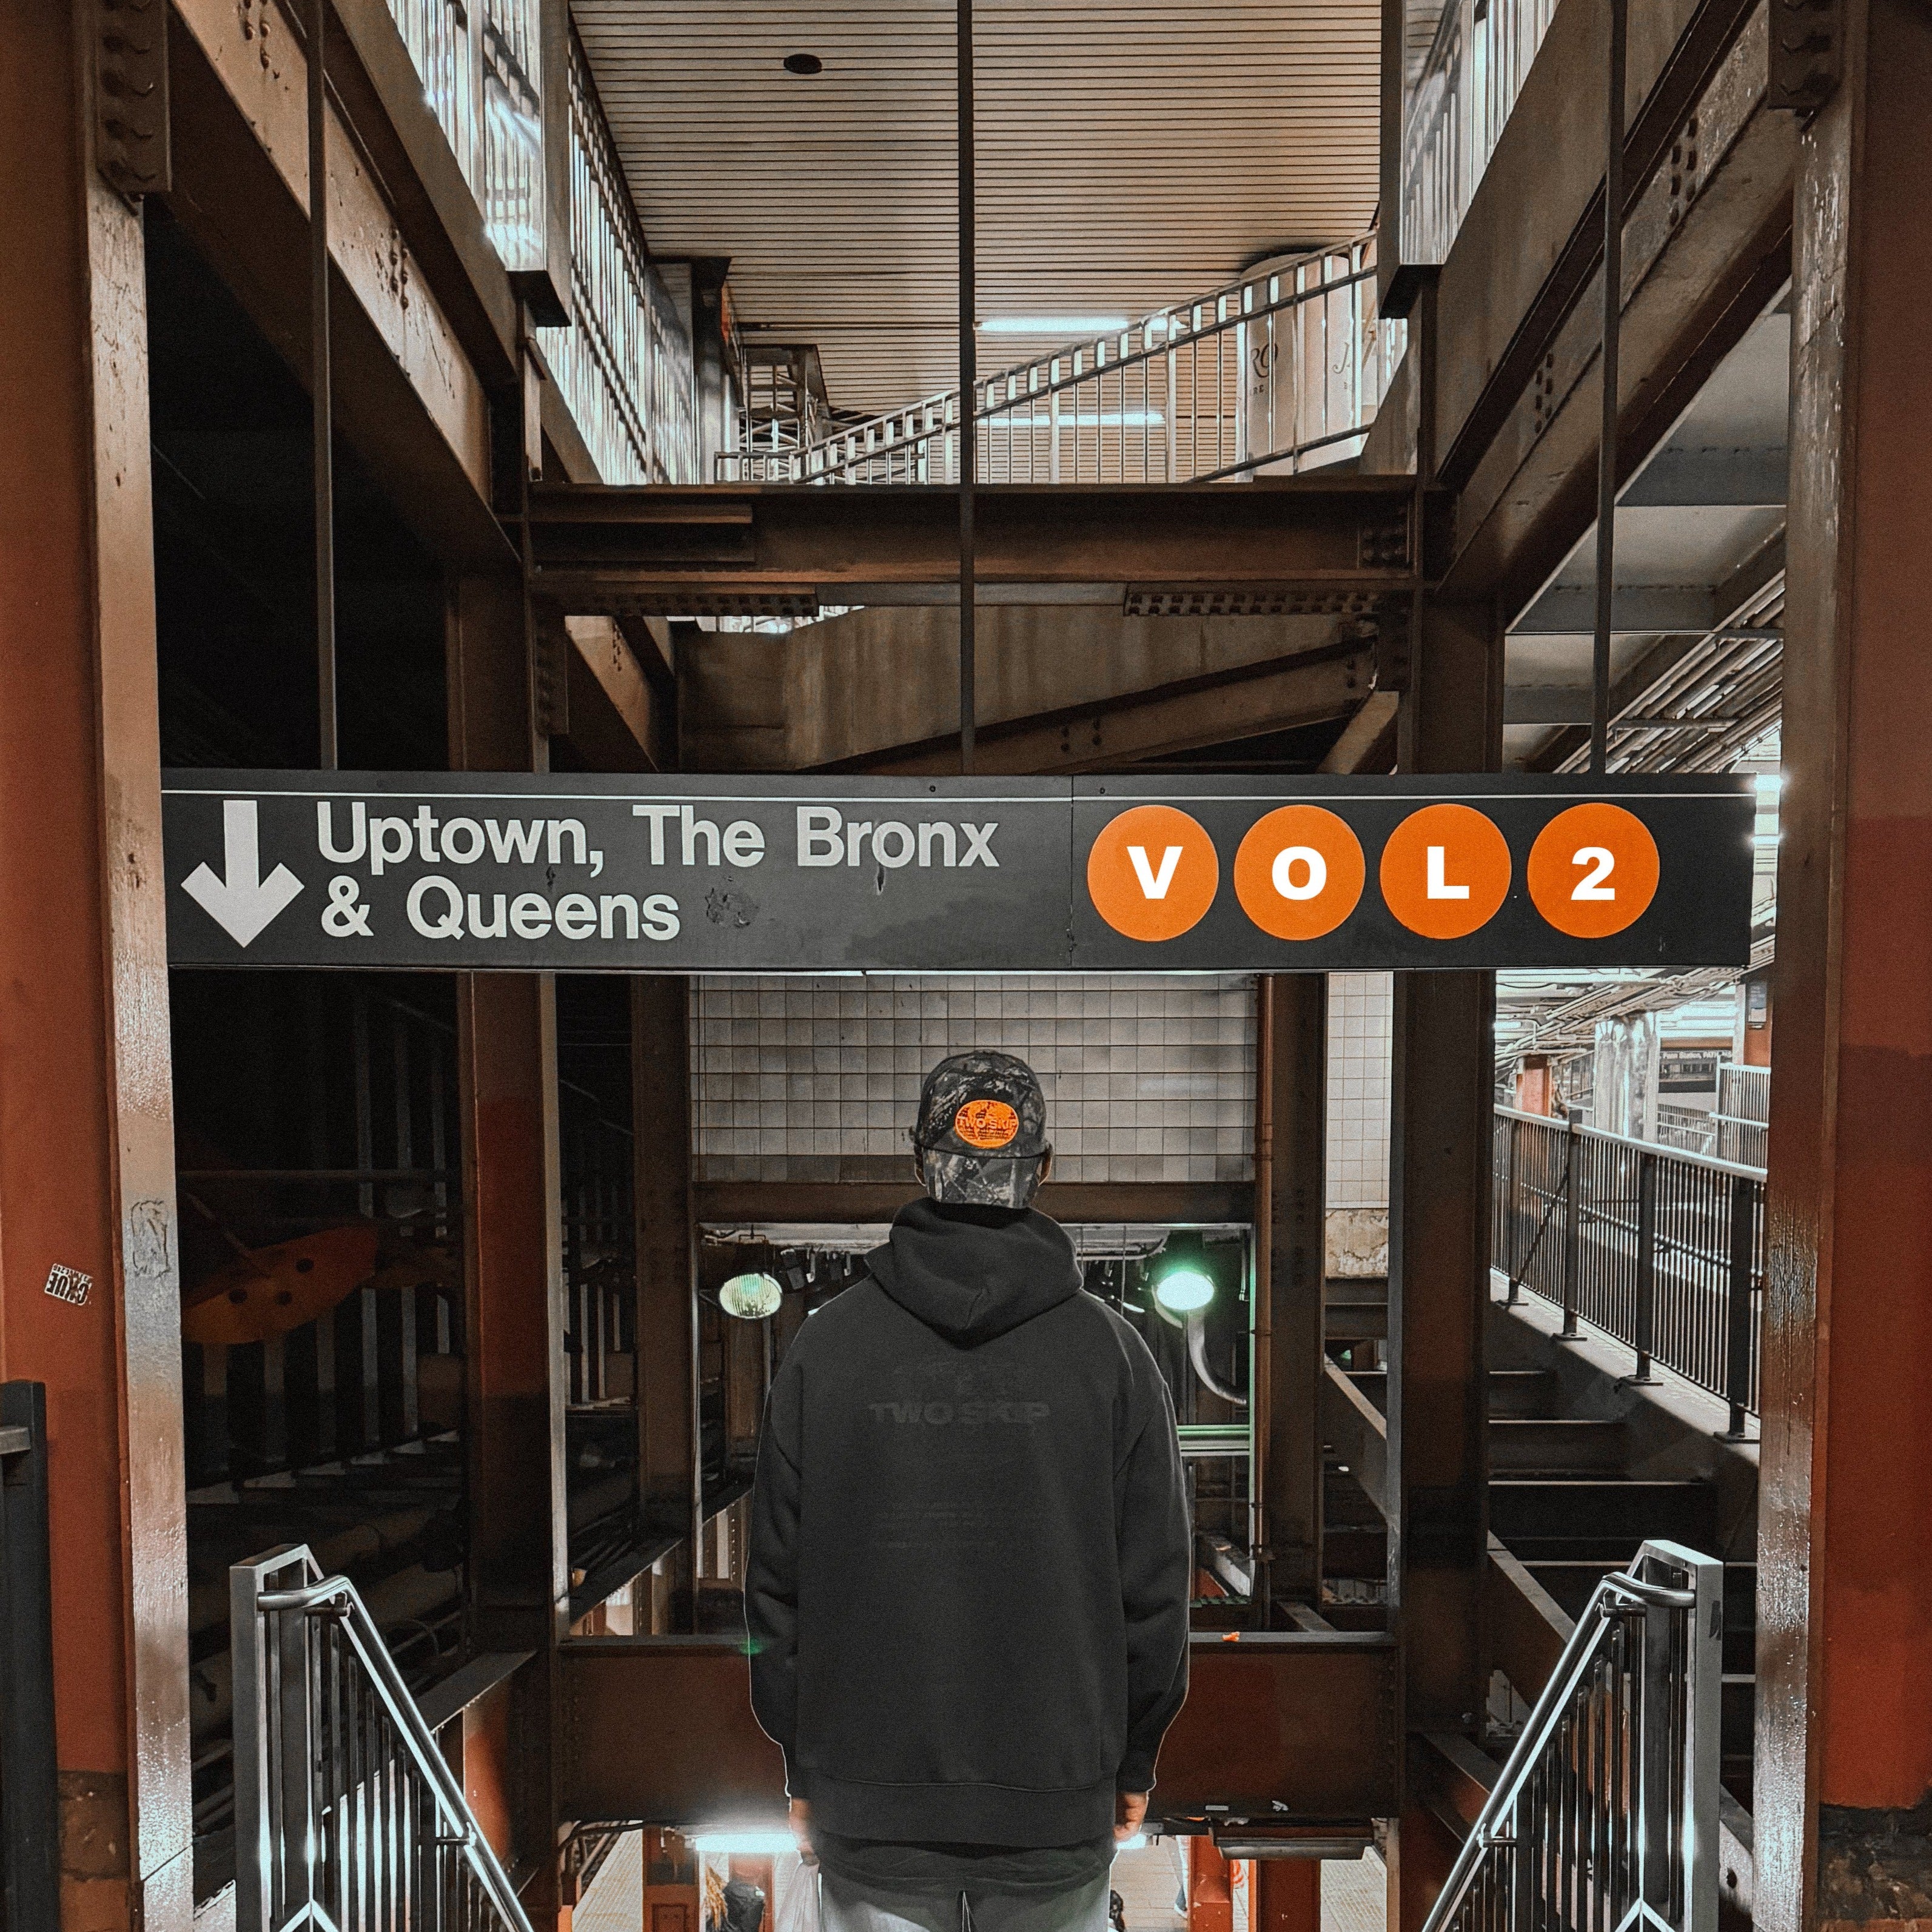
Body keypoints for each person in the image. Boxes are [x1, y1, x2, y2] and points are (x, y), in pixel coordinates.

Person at [746, 1050, 1193, 1932]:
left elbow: (775, 1584)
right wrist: (1133, 1758)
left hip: (868, 1800)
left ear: (919, 1162)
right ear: (1044, 1169)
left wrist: (804, 1762)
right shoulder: (1113, 1355)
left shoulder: (826, 1348)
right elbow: (1155, 1590)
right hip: (1055, 1796)